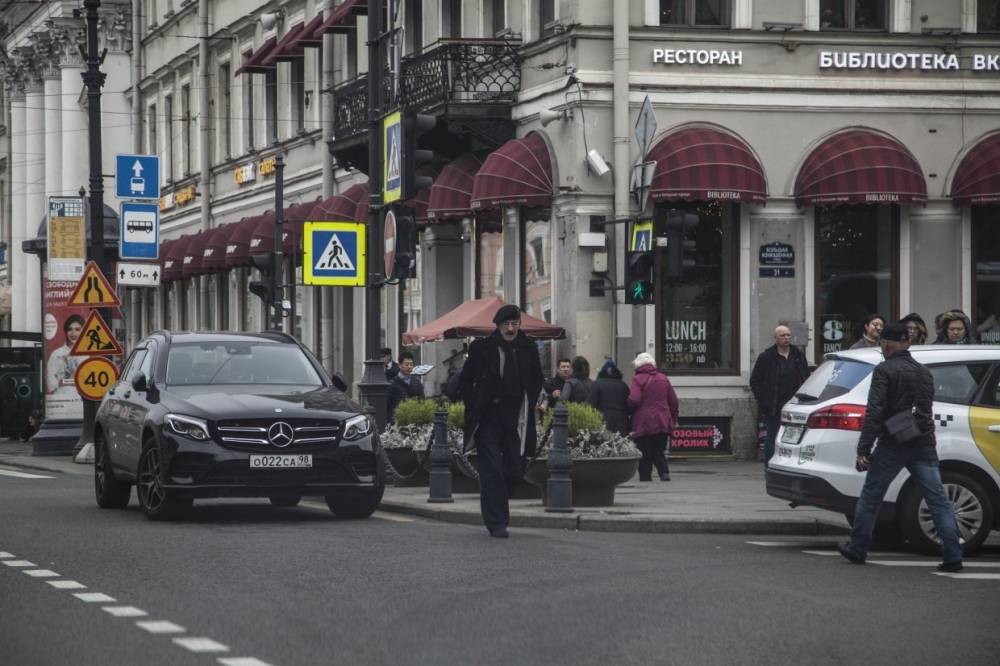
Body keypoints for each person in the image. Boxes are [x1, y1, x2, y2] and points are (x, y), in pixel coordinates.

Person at [838, 322, 963, 572]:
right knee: (937, 499)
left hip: (893, 442)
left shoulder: (885, 370)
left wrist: (864, 448)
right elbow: (925, 410)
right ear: (907, 343)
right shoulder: (924, 372)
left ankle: (858, 547)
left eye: (883, 345)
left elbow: (875, 411)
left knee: (872, 495)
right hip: (923, 442)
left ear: (886, 344)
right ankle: (953, 554)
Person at [458, 304, 544, 538]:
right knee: (492, 469)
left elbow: (537, 378)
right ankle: (497, 522)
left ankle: (496, 499)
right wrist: (472, 402)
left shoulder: (528, 348)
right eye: (506, 324)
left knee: (516, 469)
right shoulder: (482, 348)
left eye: (514, 323)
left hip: (517, 416)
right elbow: (465, 380)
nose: (511, 328)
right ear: (497, 325)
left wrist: (533, 400)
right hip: (488, 416)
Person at [749, 324, 810, 468]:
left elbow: (806, 377)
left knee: (795, 438)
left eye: (788, 335)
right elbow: (755, 381)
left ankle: (791, 465)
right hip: (774, 406)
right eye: (783, 335)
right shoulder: (766, 357)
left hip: (795, 405)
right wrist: (763, 400)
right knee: (772, 438)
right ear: (775, 338)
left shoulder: (798, 356)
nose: (786, 338)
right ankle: (769, 467)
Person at [627, 353, 679, 482]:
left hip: (643, 422)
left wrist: (626, 406)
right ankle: (664, 473)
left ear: (638, 365)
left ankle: (645, 477)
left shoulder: (637, 379)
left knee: (644, 453)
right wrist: (673, 419)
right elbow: (673, 401)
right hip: (662, 420)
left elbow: (634, 400)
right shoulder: (663, 378)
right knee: (659, 450)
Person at [589, 360, 630, 436]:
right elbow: (629, 406)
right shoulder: (624, 385)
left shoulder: (597, 384)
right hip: (622, 423)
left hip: (602, 422)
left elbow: (591, 405)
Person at [46, 314, 85, 394]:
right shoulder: (56, 354)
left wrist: (63, 381)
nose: (73, 333)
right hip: (61, 400)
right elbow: (50, 384)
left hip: (81, 402)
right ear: (66, 332)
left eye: (77, 329)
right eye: (70, 329)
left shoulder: (86, 355)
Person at [387, 351, 424, 421]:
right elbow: (388, 405)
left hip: (414, 421)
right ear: (400, 365)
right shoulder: (392, 384)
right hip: (396, 421)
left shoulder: (417, 383)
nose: (409, 367)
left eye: (411, 364)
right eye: (406, 365)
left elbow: (422, 402)